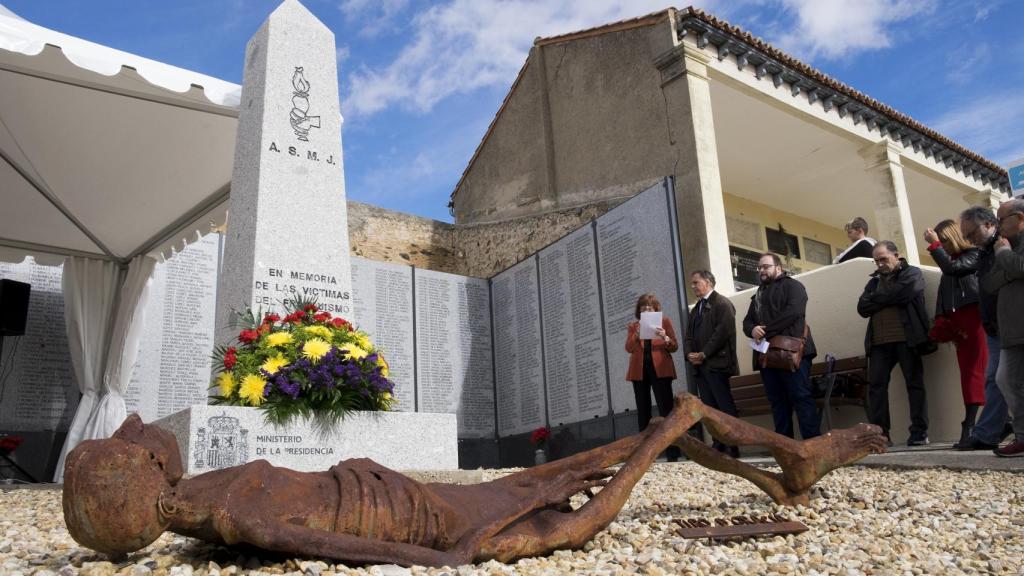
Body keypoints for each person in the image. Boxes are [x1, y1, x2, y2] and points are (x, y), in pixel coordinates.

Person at [64, 407, 888, 566]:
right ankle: (792, 455)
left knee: (566, 470)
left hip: (401, 494)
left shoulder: (199, 494)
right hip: (424, 517)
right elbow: (313, 540)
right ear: (140, 474)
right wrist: (445, 561)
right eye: (132, 443)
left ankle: (787, 458)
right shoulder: (216, 508)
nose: (140, 428)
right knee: (576, 507)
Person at [857, 240, 931, 446]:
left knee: (914, 385)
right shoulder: (873, 282)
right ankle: (881, 435)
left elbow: (906, 293)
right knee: (877, 387)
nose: (879, 264)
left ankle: (919, 432)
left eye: (883, 259)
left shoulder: (912, 273)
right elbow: (862, 308)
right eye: (876, 261)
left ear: (896, 256)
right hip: (879, 343)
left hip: (907, 339)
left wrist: (877, 299)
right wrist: (890, 296)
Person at [923, 220, 987, 448]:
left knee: (975, 373)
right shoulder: (952, 262)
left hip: (974, 318)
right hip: (959, 322)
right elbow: (943, 292)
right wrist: (942, 320)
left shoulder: (974, 255)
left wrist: (934, 246)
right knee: (970, 373)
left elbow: (953, 270)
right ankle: (992, 423)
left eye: (947, 241)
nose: (945, 247)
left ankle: (969, 426)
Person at [742, 253, 820, 439]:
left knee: (801, 397)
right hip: (767, 357)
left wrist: (765, 331)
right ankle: (785, 446)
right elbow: (747, 321)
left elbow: (793, 313)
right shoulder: (758, 294)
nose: (761, 270)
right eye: (759, 267)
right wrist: (753, 330)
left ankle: (813, 444)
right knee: (777, 402)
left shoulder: (794, 286)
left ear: (779, 267)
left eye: (766, 266)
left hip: (793, 353)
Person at [956, 206, 1012, 451]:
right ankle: (990, 432)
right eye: (966, 237)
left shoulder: (1006, 245)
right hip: (994, 324)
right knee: (996, 379)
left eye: (972, 233)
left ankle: (991, 431)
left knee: (1001, 379)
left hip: (1009, 322)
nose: (969, 240)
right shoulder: (985, 252)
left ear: (989, 224)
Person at [980, 198, 1024, 457]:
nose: (997, 226)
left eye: (1001, 219)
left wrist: (1006, 257)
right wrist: (1011, 266)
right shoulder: (1004, 247)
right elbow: (989, 283)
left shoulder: (1004, 248)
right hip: (1011, 330)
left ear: (1019, 219)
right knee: (1005, 379)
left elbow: (1019, 266)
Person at [684, 270, 740, 457]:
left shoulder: (722, 303)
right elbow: (689, 336)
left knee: (724, 406)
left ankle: (732, 444)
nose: (693, 286)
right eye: (692, 283)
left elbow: (722, 333)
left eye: (696, 282)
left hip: (717, 365)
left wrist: (704, 354)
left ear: (708, 282)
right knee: (709, 408)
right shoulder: (696, 309)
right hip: (701, 368)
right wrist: (689, 354)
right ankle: (718, 443)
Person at [625, 293, 680, 461]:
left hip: (660, 370)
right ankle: (645, 454)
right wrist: (636, 334)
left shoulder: (665, 322)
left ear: (656, 308)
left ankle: (673, 451)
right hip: (639, 371)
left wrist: (665, 337)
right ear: (639, 310)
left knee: (666, 409)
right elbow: (628, 348)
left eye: (650, 307)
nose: (647, 309)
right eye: (643, 307)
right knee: (643, 410)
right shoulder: (634, 326)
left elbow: (674, 347)